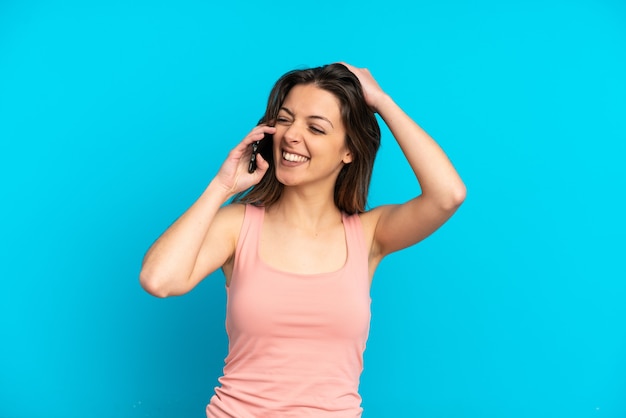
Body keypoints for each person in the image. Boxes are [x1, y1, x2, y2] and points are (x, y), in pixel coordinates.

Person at [140, 62, 466, 417]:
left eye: (315, 127)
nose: (291, 135)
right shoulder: (237, 225)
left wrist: (381, 102)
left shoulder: (370, 235)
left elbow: (447, 194)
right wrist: (221, 188)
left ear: (349, 150)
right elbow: (159, 280)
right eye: (285, 119)